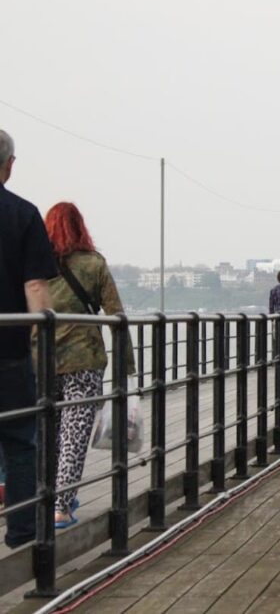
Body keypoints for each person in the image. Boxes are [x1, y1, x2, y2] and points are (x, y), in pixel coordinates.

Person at [43, 202, 135, 528]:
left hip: (41, 360)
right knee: (74, 435)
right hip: (85, 360)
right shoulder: (94, 264)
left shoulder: (36, 264)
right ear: (81, 226)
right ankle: (61, 507)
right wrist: (128, 368)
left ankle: (50, 497)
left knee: (49, 432)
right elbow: (116, 315)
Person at [0, 129, 57, 548]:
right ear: (9, 164)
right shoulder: (22, 213)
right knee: (21, 440)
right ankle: (22, 534)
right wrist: (41, 334)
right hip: (10, 349)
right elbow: (36, 286)